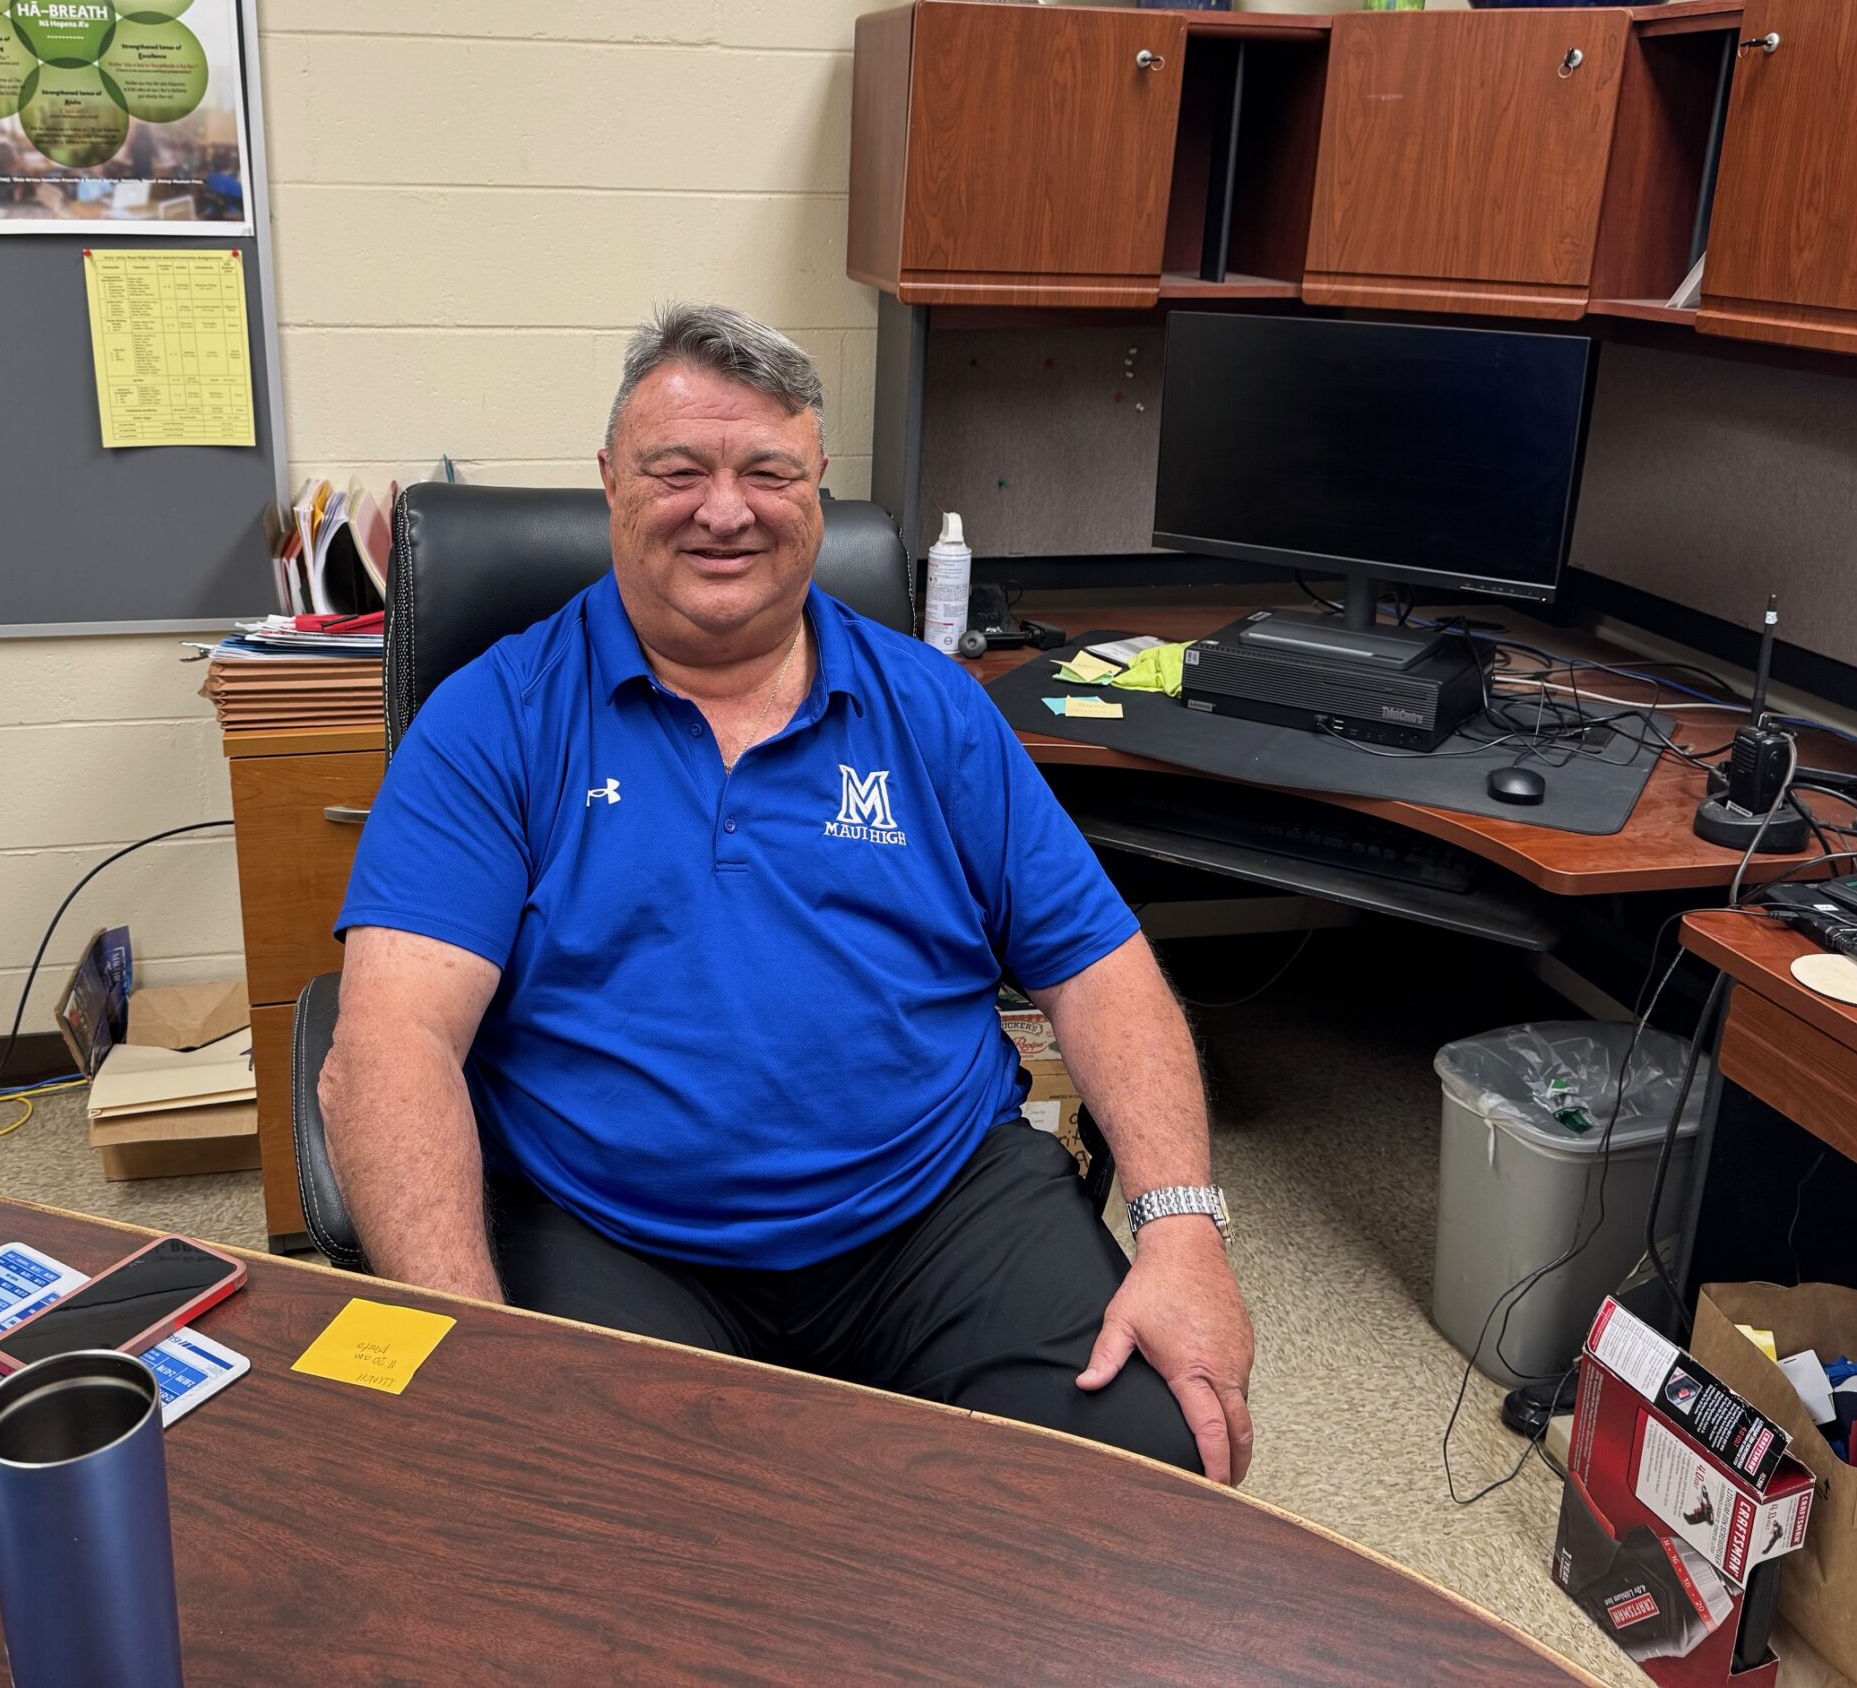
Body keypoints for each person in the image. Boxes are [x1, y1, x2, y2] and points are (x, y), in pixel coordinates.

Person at [321, 304, 1256, 1482]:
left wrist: (1182, 1227)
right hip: (610, 1224)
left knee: (1153, 1469)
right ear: (610, 481)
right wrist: (473, 1339)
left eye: (767, 471)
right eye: (679, 470)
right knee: (588, 1524)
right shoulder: (492, 722)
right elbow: (390, 1043)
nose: (725, 509)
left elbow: (1098, 967)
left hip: (937, 1207)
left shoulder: (934, 708)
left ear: (816, 489)